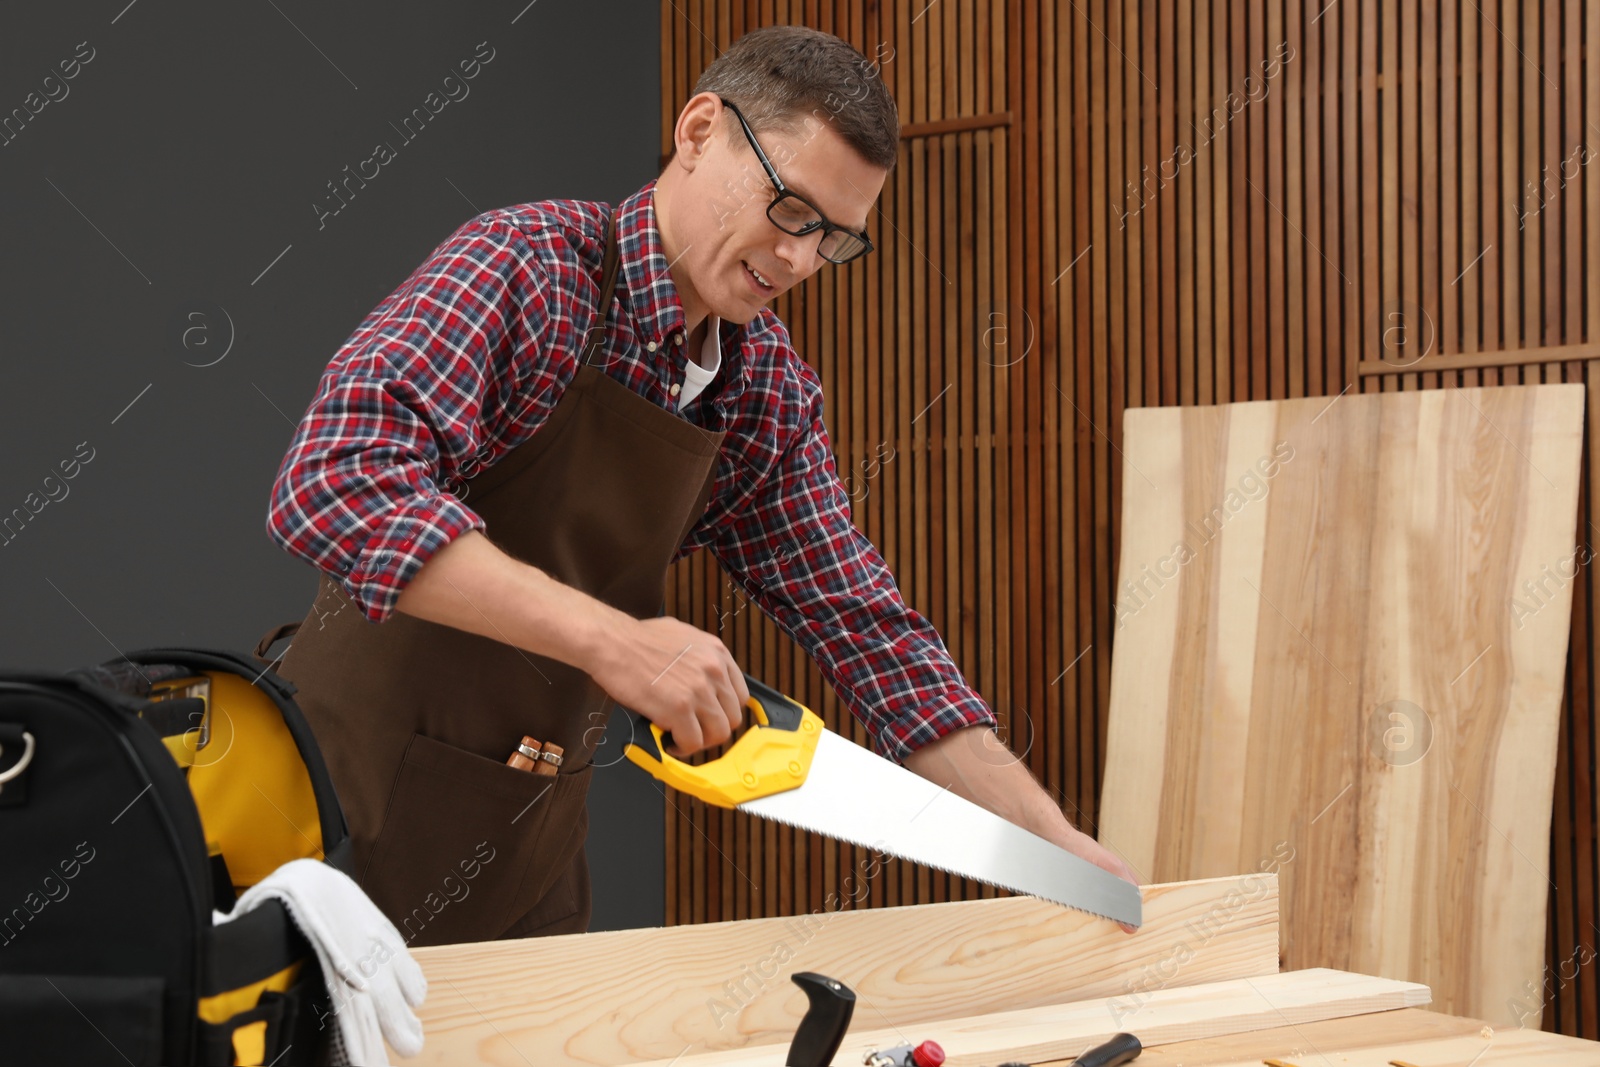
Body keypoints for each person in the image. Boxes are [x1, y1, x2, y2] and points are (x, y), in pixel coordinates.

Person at [261, 24, 1138, 948]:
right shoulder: (525, 269)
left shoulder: (762, 390)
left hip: (521, 872)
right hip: (326, 842)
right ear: (697, 130)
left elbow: (869, 631)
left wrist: (1051, 844)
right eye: (792, 209)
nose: (801, 261)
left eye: (835, 240)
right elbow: (334, 483)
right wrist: (616, 641)